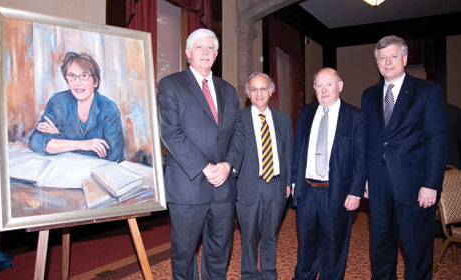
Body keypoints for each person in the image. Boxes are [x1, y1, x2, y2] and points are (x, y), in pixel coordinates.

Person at [157, 28, 245, 280]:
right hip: (188, 184)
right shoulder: (171, 85)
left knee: (220, 251)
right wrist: (206, 167)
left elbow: (239, 133)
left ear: (216, 55)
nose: (205, 52)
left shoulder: (228, 90)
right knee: (184, 254)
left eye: (210, 48)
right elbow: (171, 133)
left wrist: (228, 165)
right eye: (199, 47)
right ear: (188, 53)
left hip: (223, 185)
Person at [361, 35, 448, 280]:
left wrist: (431, 184)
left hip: (415, 186)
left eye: (393, 56)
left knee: (417, 251)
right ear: (377, 62)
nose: (387, 62)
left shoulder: (427, 91)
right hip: (378, 186)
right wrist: (365, 179)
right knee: (381, 250)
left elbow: (437, 141)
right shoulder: (369, 95)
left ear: (405, 58)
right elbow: (369, 140)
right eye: (382, 58)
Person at [291, 68, 366, 280]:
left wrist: (356, 191)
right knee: (306, 245)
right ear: (314, 88)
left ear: (339, 86)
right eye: (319, 85)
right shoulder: (306, 113)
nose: (324, 90)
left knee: (335, 246)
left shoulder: (354, 116)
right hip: (307, 191)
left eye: (329, 84)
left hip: (337, 192)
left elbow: (361, 158)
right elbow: (299, 149)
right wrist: (294, 179)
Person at [236, 73, 294, 279]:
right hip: (247, 186)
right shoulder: (238, 119)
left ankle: (269, 272)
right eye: (254, 89)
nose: (259, 93)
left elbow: (288, 153)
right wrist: (234, 187)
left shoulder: (283, 119)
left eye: (263, 89)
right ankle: (250, 273)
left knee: (271, 234)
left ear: (271, 91)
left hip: (276, 186)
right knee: (249, 236)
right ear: (248, 94)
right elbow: (230, 154)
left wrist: (288, 183)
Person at [28, 52, 124, 162]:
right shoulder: (58, 102)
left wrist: (60, 138)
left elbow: (113, 156)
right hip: (64, 169)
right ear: (67, 81)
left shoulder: (109, 108)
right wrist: (85, 145)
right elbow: (36, 142)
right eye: (72, 76)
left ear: (96, 81)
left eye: (84, 76)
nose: (77, 83)